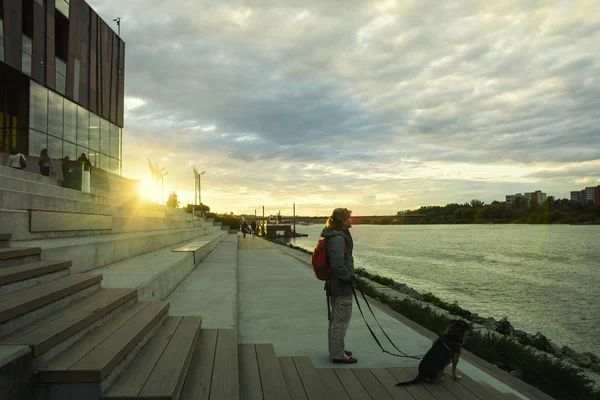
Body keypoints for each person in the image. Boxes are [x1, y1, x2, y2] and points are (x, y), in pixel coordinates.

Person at [322, 207, 357, 364]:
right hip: (341, 285)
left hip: (336, 284)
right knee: (340, 320)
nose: (351, 220)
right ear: (342, 221)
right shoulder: (338, 238)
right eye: (349, 217)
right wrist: (350, 277)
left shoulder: (337, 235)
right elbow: (337, 265)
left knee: (336, 319)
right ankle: (337, 354)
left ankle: (337, 348)